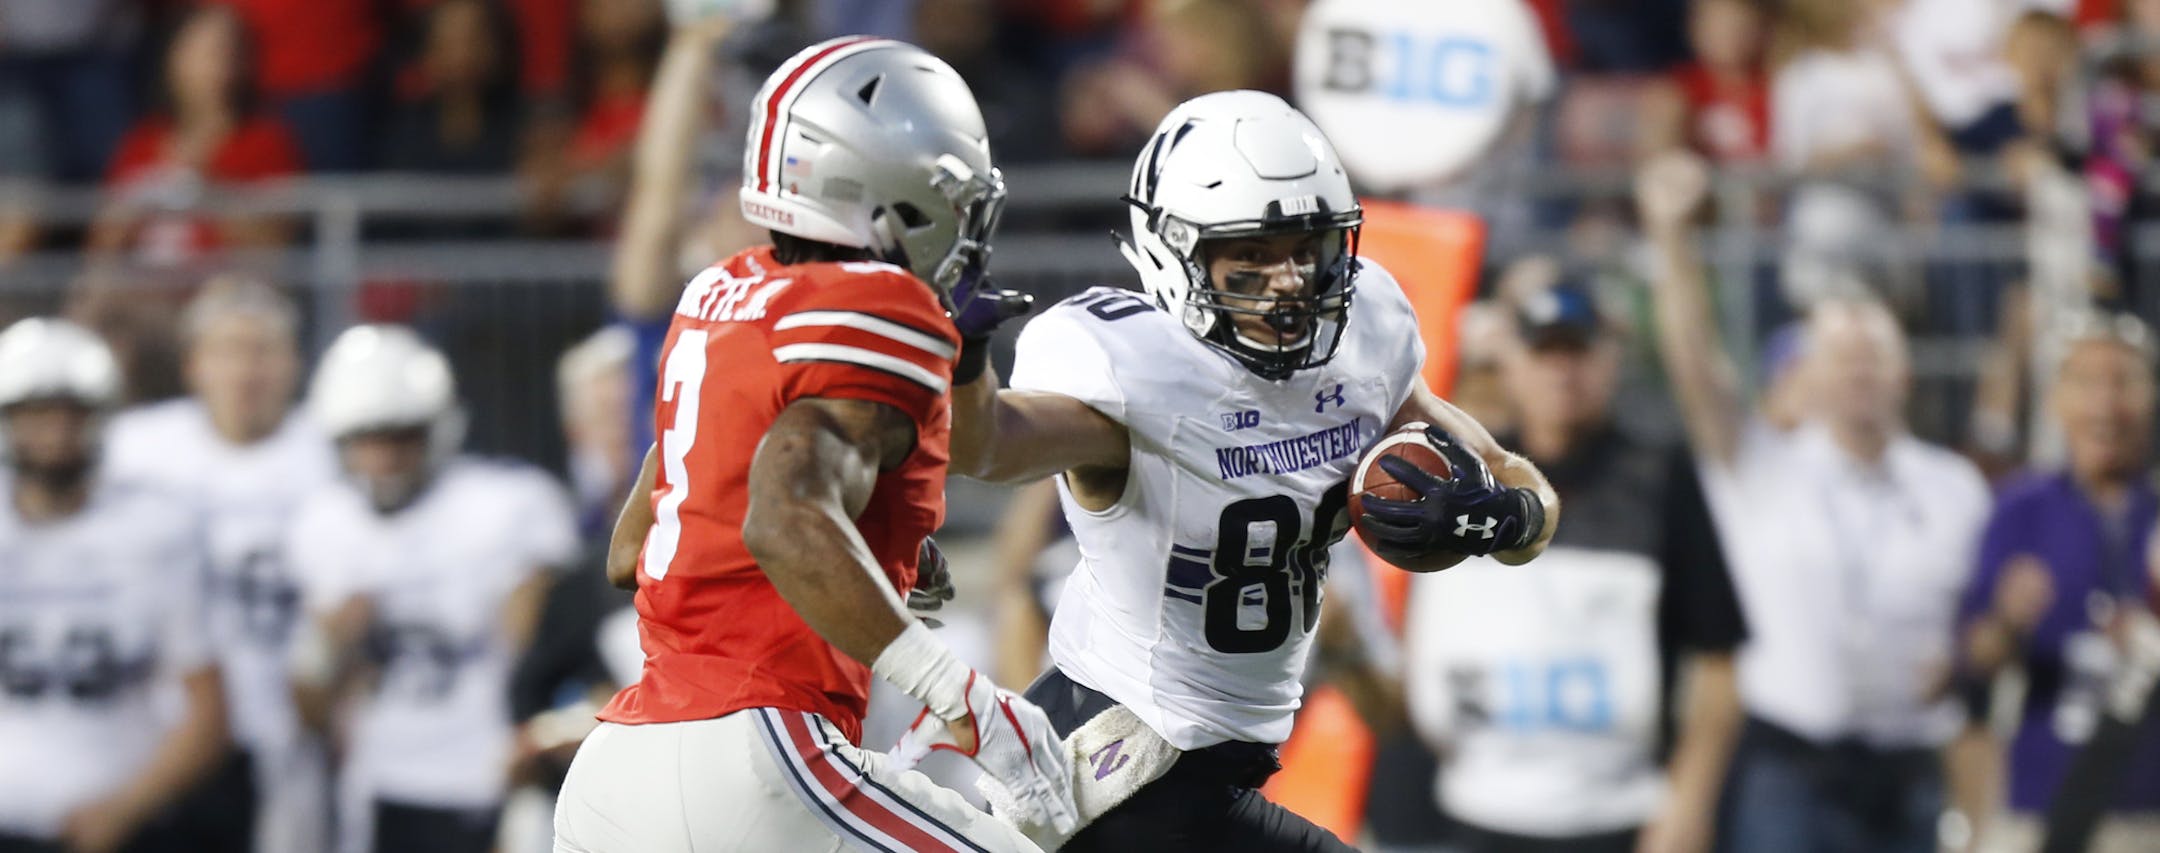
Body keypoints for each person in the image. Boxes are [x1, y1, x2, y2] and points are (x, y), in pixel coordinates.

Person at [946, 90, 1561, 852]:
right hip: (1119, 762)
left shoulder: (1365, 337)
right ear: (1175, 253)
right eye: (1251, 257)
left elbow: (1514, 481)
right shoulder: (1138, 369)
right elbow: (988, 447)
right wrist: (966, 355)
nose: (1289, 281)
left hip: (1207, 773)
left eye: (1307, 247)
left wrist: (1505, 516)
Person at [551, 37, 1074, 853]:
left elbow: (634, 549)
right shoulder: (880, 303)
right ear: (889, 187)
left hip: (615, 771)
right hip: (755, 757)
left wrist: (858, 549)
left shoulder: (718, 295)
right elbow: (784, 517)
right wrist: (959, 692)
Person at [1639, 150, 1993, 853]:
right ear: (1812, 373)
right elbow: (1693, 359)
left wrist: (1963, 656)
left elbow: (1980, 623)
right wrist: (1671, 238)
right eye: (1842, 355)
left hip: (1911, 766)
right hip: (1789, 765)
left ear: (1906, 372)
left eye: (1874, 354)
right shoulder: (1764, 464)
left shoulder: (1957, 487)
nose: (1859, 369)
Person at [1401, 283, 1747, 853]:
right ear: (1508, 364)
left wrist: (1688, 805)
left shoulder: (1659, 479)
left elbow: (1719, 655)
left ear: (1610, 359)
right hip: (1473, 810)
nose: (1562, 371)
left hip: (1621, 814)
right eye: (1544, 352)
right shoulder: (1455, 480)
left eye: (1578, 351)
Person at [286, 324, 578, 853]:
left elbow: (548, 658)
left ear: (434, 429)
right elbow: (310, 709)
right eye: (365, 440)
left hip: (486, 773)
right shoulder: (324, 525)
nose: (382, 459)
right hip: (382, 782)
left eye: (398, 436)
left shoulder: (504, 507)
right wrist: (327, 647)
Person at [103, 278, 338, 853]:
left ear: (293, 364)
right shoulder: (134, 448)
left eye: (262, 351)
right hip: (159, 720)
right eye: (228, 350)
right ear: (193, 365)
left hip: (284, 718)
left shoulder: (331, 452)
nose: (246, 370)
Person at [0, 318, 232, 853]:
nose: (56, 435)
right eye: (37, 416)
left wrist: (125, 807)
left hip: (123, 820)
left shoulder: (154, 529)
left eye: (72, 415)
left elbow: (208, 712)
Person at [1957, 312, 2160, 853]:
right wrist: (2007, 618)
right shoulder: (2022, 509)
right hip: (2045, 809)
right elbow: (1974, 661)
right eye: (2086, 382)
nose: (2106, 403)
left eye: (2124, 382)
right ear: (2055, 400)